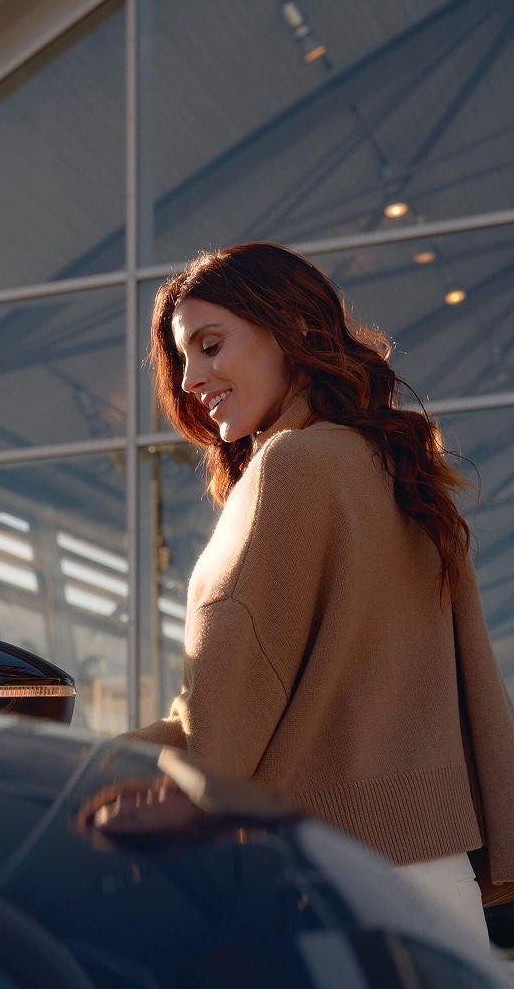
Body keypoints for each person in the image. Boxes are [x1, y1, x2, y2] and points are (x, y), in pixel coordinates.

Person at [126, 241, 514, 948]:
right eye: (184, 358)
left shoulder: (290, 470)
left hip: (331, 889)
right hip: (439, 877)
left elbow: (224, 724)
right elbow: (472, 686)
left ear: (291, 330)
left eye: (210, 346)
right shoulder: (396, 471)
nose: (191, 379)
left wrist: (85, 774)